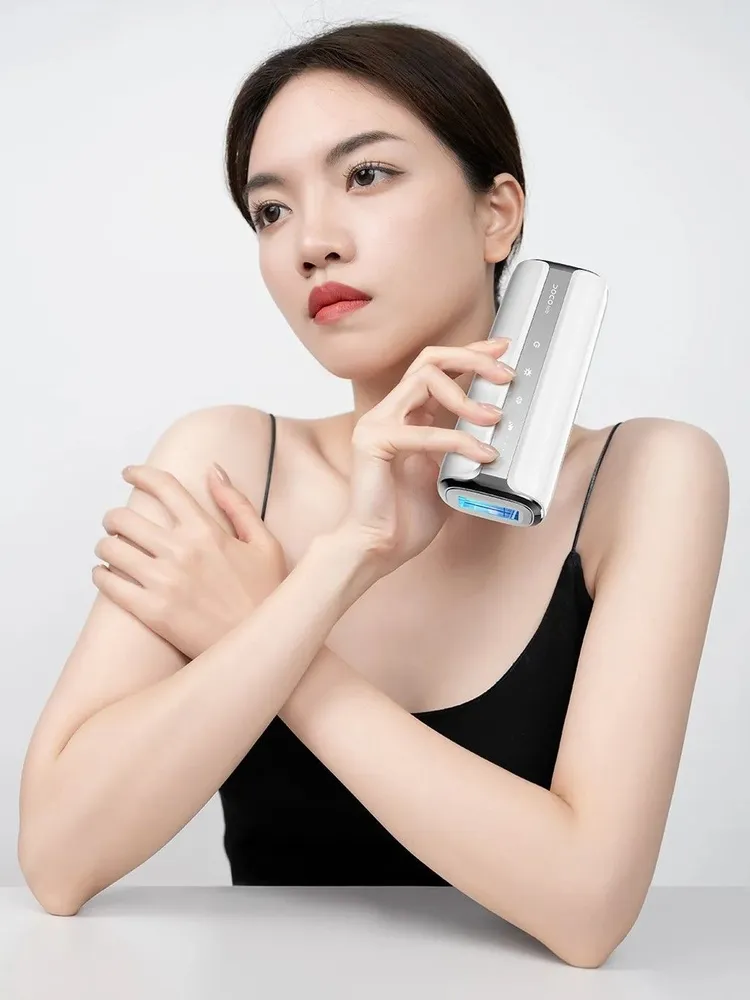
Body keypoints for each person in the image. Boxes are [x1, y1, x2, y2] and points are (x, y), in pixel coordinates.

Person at [18, 20, 729, 968]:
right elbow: (59, 860)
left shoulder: (646, 477)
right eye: (271, 211)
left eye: (366, 175)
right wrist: (343, 562)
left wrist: (267, 635)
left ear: (497, 215)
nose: (311, 243)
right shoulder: (228, 463)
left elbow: (587, 909)